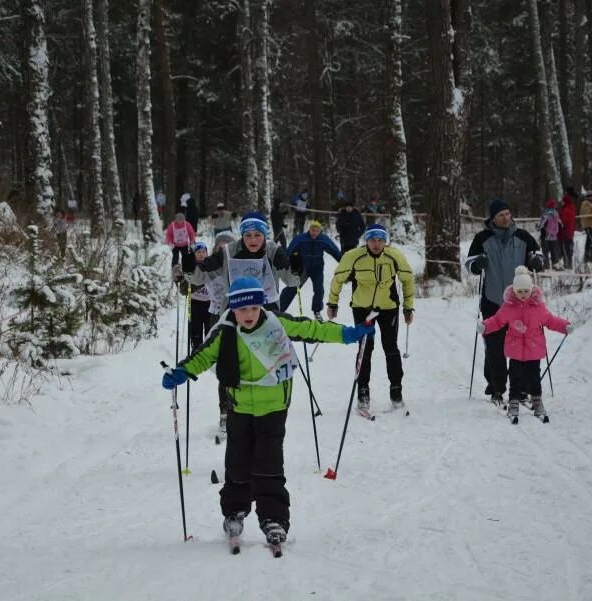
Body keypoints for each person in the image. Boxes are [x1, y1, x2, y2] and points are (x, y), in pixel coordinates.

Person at [162, 276, 374, 546]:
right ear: (232, 309)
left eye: (253, 308)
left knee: (269, 464)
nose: (248, 315)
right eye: (241, 309)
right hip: (239, 407)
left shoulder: (276, 324)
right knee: (237, 463)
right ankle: (234, 512)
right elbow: (204, 355)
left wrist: (347, 334)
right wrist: (181, 372)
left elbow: (313, 329)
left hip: (274, 407)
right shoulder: (226, 330)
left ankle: (273, 518)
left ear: (261, 306)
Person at [464, 198, 544, 406]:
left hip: (522, 302)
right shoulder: (483, 238)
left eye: (508, 213)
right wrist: (477, 264)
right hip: (492, 300)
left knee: (523, 344)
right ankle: (496, 388)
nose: (506, 217)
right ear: (492, 218)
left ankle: (524, 388)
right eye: (501, 215)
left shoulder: (523, 236)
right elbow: (469, 263)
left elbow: (538, 255)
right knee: (495, 347)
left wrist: (536, 261)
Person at [326, 223, 415, 410]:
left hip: (388, 307)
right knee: (365, 349)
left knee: (391, 347)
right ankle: (363, 392)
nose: (376, 244)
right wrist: (332, 303)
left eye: (381, 240)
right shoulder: (353, 256)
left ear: (385, 241)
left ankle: (396, 390)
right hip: (362, 308)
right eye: (373, 240)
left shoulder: (394, 255)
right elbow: (338, 279)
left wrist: (408, 307)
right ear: (366, 240)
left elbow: (407, 279)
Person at [478, 266, 573, 422]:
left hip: (534, 350)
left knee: (534, 379)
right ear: (514, 290)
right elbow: (497, 321)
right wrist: (485, 326)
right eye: (519, 291)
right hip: (515, 350)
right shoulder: (508, 307)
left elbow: (551, 321)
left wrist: (565, 326)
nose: (523, 295)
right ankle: (513, 403)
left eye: (526, 291)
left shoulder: (538, 307)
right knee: (515, 378)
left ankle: (537, 402)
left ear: (531, 290)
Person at [196, 211, 299, 312]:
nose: (253, 240)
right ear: (242, 235)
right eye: (248, 235)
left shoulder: (273, 251)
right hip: (235, 311)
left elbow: (291, 280)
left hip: (267, 310)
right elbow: (202, 273)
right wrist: (190, 268)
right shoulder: (229, 251)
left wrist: (295, 269)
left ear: (264, 235)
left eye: (257, 235)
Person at [187, 232, 236, 437]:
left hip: (240, 315)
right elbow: (191, 282)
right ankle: (224, 413)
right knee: (224, 366)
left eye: (227, 246)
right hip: (216, 316)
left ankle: (241, 412)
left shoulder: (239, 264)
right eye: (219, 247)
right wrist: (182, 274)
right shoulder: (210, 265)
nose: (222, 250)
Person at [279, 220, 342, 320]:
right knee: (292, 287)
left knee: (319, 290)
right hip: (303, 268)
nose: (314, 233)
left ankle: (317, 311)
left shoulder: (323, 239)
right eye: (313, 230)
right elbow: (290, 251)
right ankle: (279, 308)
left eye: (317, 231)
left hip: (317, 268)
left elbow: (334, 251)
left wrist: (343, 262)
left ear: (320, 231)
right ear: (309, 230)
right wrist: (287, 263)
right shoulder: (301, 239)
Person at [165, 213, 196, 279]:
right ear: (176, 220)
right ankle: (174, 270)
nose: (180, 222)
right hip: (175, 245)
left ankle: (185, 269)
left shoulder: (187, 224)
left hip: (184, 244)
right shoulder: (172, 225)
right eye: (179, 220)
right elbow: (168, 235)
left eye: (182, 220)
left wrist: (192, 242)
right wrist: (170, 243)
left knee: (185, 257)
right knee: (175, 257)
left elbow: (191, 233)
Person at [537, 199, 563, 269]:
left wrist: (538, 227)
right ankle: (555, 265)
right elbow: (560, 224)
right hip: (554, 237)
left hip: (546, 236)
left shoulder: (546, 214)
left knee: (545, 252)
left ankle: (546, 266)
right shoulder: (556, 214)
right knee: (554, 252)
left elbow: (541, 225)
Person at [559, 187, 577, 269]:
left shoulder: (566, 210)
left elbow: (564, 220)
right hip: (570, 231)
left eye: (562, 201)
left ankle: (568, 265)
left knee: (566, 249)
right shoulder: (571, 207)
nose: (561, 203)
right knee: (569, 248)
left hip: (566, 232)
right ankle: (569, 264)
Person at [579, 192, 592, 262]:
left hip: (591, 225)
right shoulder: (586, 204)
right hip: (588, 225)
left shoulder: (591, 204)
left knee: (590, 240)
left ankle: (589, 255)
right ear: (589, 197)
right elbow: (587, 214)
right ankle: (589, 255)